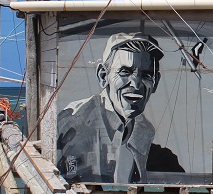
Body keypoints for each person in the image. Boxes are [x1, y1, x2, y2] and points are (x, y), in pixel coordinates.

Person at [57, 32, 184, 184]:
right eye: (125, 72)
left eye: (146, 75)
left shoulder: (143, 130)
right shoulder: (75, 122)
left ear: (155, 83)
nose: (136, 84)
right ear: (103, 76)